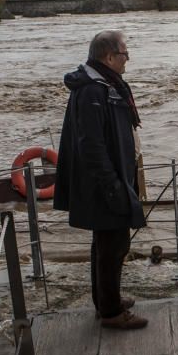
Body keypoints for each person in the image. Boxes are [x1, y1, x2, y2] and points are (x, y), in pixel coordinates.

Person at [53, 30, 148, 330]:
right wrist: (113, 187)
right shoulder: (94, 90)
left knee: (105, 244)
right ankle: (111, 313)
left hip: (112, 179)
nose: (128, 58)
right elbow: (91, 147)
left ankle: (106, 301)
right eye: (124, 53)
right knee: (113, 246)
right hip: (105, 185)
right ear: (109, 56)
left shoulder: (101, 83)